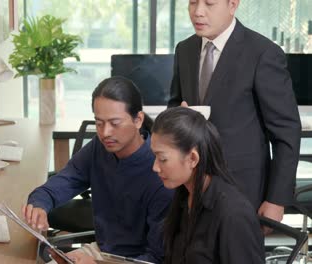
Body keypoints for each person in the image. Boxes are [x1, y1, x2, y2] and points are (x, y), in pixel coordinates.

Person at [168, 0, 301, 227]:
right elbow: (174, 108)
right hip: (191, 190)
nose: (198, 12)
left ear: (232, 4)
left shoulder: (262, 53)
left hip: (243, 191)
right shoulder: (185, 49)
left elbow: (286, 133)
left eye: (209, 3)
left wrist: (276, 201)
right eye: (192, 2)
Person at [23, 76, 173, 263]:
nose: (105, 133)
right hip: (101, 251)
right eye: (99, 123)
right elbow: (66, 180)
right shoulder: (99, 148)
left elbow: (156, 259)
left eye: (115, 123)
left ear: (138, 120)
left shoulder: (161, 172)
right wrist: (40, 202)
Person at [153, 107, 264, 263]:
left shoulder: (233, 214)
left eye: (162, 159)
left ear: (192, 158)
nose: (155, 167)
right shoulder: (184, 197)